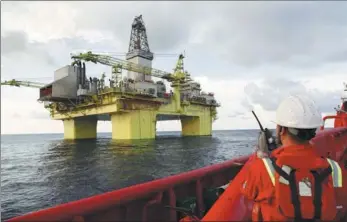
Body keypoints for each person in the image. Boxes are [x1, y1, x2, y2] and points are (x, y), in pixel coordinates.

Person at [241, 95, 347, 221]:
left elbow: (247, 191)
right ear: (313, 131)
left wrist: (260, 157)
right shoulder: (335, 169)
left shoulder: (264, 168)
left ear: (281, 130)